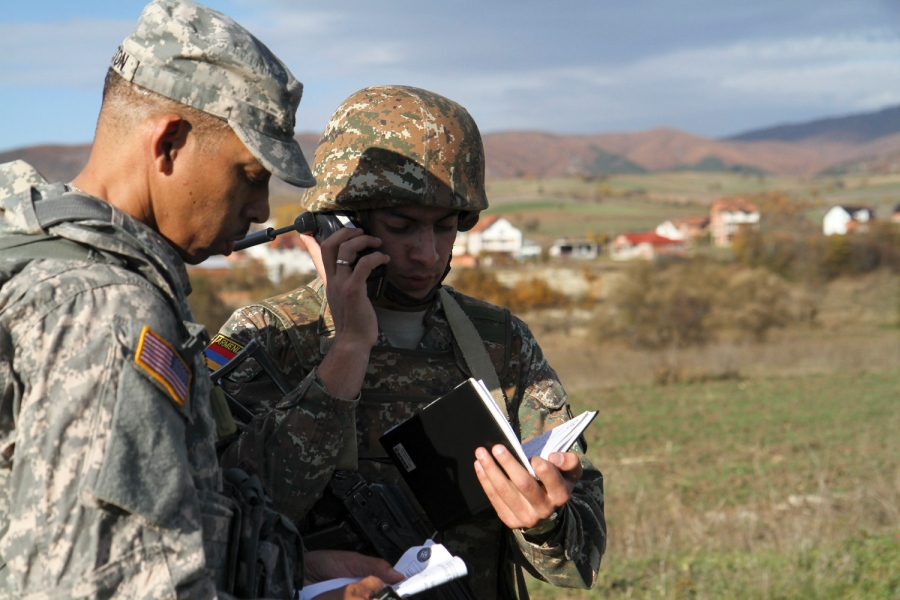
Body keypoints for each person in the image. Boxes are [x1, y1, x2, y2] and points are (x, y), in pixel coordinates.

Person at [0, 1, 399, 598]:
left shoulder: (34, 243)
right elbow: (112, 584)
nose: (262, 209)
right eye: (250, 174)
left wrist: (293, 572)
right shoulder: (108, 312)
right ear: (170, 143)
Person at [211, 85, 607, 599]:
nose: (427, 253)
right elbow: (220, 525)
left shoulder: (499, 343)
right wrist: (348, 350)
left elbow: (578, 566)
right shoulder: (267, 339)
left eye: (446, 228)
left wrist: (544, 524)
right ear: (341, 223)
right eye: (402, 227)